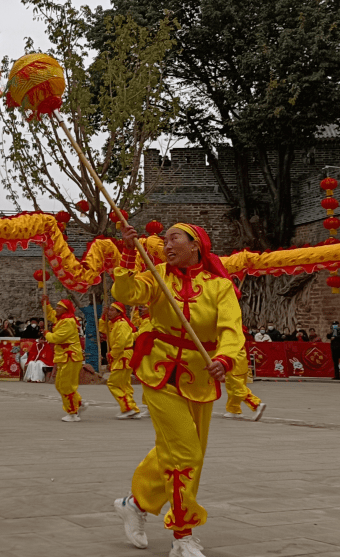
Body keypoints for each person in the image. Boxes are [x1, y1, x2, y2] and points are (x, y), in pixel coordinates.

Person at [111, 222, 242, 557]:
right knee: (187, 454)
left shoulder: (219, 286)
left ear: (196, 245)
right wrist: (128, 254)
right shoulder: (158, 277)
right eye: (165, 239)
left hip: (200, 377)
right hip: (159, 373)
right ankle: (183, 534)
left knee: (178, 450)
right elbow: (126, 295)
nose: (167, 245)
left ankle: (137, 503)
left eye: (175, 239)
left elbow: (231, 328)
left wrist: (225, 359)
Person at [43, 296, 85, 421]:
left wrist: (47, 334)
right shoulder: (61, 319)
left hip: (70, 356)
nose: (57, 308)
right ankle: (78, 404)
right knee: (60, 384)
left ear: (66, 309)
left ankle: (72, 412)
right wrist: (46, 304)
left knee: (66, 385)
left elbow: (57, 338)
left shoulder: (68, 321)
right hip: (64, 356)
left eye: (60, 307)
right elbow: (50, 314)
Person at [104, 301, 144, 419]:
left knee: (113, 383)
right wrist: (103, 315)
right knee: (124, 384)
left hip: (123, 355)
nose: (109, 312)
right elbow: (102, 328)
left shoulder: (121, 324)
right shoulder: (114, 323)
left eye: (112, 310)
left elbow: (120, 342)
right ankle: (133, 408)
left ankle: (128, 407)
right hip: (122, 354)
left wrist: (112, 354)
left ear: (119, 312)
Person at [224, 326, 265, 421]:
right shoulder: (240, 334)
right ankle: (233, 410)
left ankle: (256, 404)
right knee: (232, 387)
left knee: (238, 388)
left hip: (233, 363)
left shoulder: (229, 334)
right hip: (241, 363)